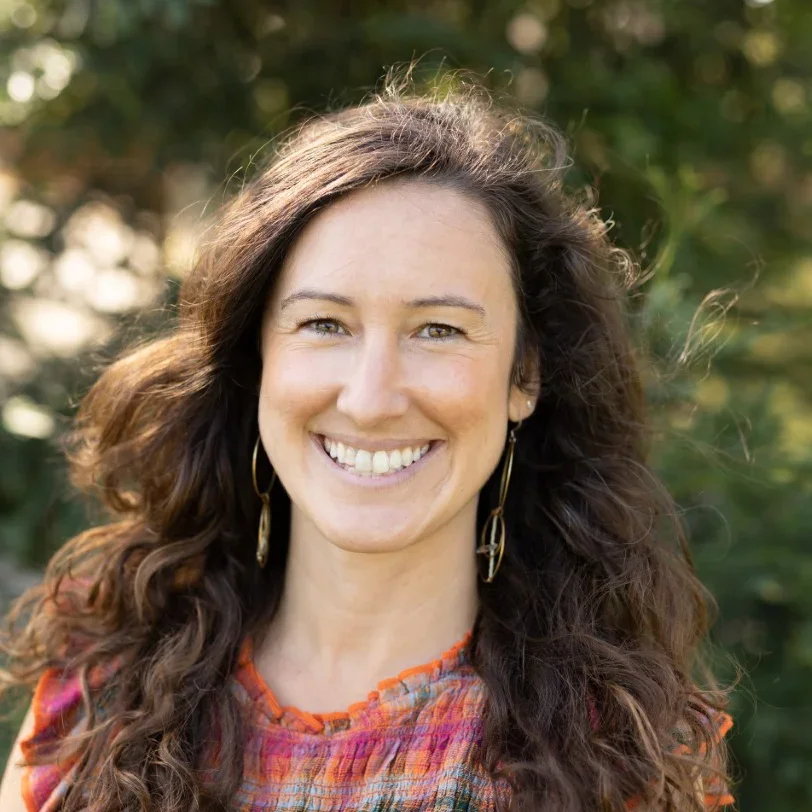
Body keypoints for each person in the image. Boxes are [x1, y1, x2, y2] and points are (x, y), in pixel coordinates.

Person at [0, 77, 733, 811]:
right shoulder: (98, 688)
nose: (371, 398)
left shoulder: (615, 765)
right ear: (258, 359)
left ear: (525, 376)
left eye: (438, 330)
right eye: (324, 324)